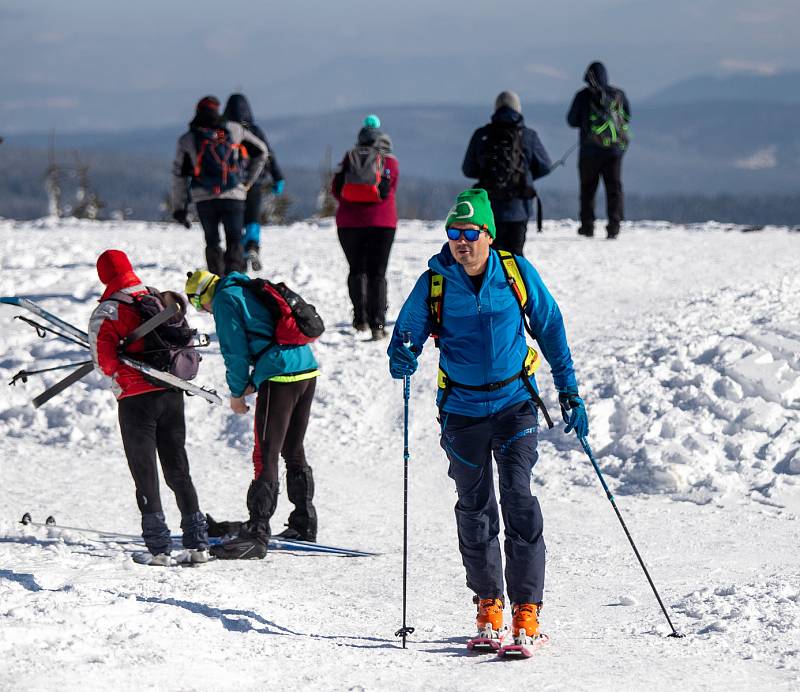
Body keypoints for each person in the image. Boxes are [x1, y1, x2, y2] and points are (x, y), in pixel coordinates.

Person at [386, 188, 588, 644]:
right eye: (454, 233)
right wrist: (401, 354)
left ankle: (527, 607)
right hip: (462, 411)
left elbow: (551, 326)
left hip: (515, 404)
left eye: (470, 232)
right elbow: (406, 333)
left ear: (488, 235)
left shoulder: (515, 272)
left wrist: (569, 390)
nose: (462, 242)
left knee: (518, 496)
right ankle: (488, 602)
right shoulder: (434, 281)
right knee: (475, 508)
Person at [185, 269, 320, 559]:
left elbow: (235, 352)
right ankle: (304, 522)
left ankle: (257, 533)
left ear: (204, 295)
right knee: (293, 448)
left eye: (197, 304)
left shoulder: (223, 299)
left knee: (266, 453)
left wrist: (236, 394)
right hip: (306, 367)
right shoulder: (246, 286)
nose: (203, 311)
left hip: (279, 374)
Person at [88, 249, 209, 566]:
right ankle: (198, 543)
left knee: (145, 473)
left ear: (105, 275)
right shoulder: (156, 299)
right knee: (177, 467)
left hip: (136, 400)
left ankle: (158, 548)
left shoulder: (109, 310)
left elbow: (105, 363)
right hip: (171, 392)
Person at [171, 96, 268, 275]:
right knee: (235, 239)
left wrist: (179, 207)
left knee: (212, 242)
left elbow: (180, 175)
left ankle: (216, 282)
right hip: (234, 194)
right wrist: (247, 182)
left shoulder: (188, 138)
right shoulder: (233, 130)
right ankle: (235, 281)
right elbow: (261, 150)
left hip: (204, 196)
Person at [332, 114, 399, 340]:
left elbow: (335, 189)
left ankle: (360, 318)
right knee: (377, 274)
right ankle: (377, 323)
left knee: (356, 270)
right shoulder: (390, 162)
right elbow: (390, 189)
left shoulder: (349, 158)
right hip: (382, 223)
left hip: (349, 223)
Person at [462, 91, 552, 256]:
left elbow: (468, 169)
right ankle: (516, 282)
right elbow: (545, 166)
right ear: (518, 109)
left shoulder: (482, 135)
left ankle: (493, 282)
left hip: (489, 208)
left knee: (492, 259)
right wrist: (527, 178)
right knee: (516, 257)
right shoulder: (528, 136)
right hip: (519, 207)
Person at [567, 62, 631, 239]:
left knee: (588, 189)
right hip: (614, 151)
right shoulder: (618, 94)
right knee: (614, 188)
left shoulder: (582, 96)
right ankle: (614, 225)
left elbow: (571, 120)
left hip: (589, 151)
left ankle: (587, 226)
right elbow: (627, 116)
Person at [222, 93, 286, 272]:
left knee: (236, 221)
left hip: (232, 185)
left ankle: (237, 255)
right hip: (254, 182)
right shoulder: (255, 131)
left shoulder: (225, 131)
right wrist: (278, 177)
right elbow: (268, 154)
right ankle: (252, 246)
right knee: (253, 218)